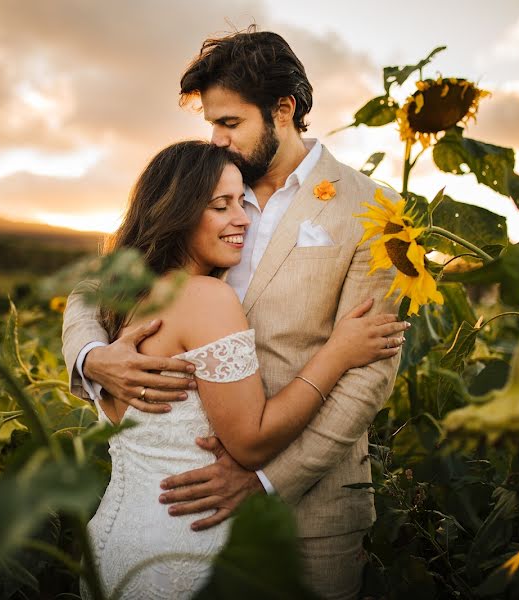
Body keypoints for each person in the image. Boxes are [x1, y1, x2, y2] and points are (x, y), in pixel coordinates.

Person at [63, 30, 403, 599]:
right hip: (181, 502)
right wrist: (93, 357)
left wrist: (266, 480)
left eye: (229, 122)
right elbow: (92, 288)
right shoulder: (210, 183)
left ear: (283, 110)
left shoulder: (372, 208)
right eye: (211, 125)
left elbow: (370, 369)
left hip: (311, 515)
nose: (217, 138)